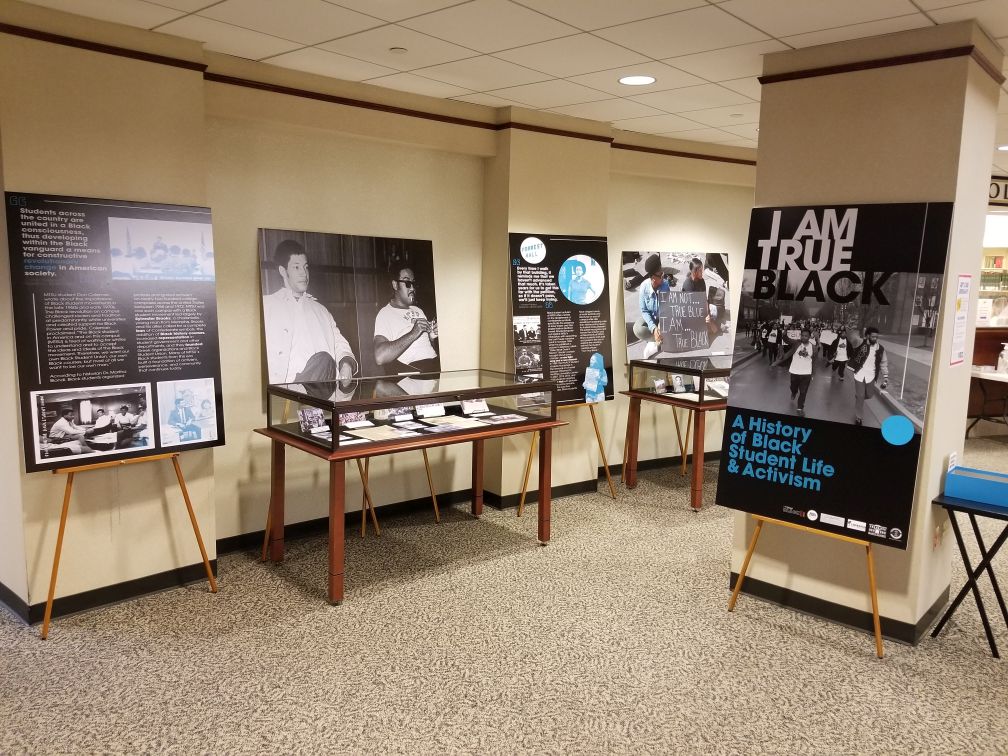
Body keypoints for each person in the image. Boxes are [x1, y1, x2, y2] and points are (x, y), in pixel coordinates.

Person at [262, 239, 358, 385]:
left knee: (324, 360)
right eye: (296, 267)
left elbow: (340, 344)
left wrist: (346, 364)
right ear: (283, 271)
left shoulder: (321, 310)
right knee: (323, 361)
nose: (304, 273)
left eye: (306, 267)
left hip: (323, 389)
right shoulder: (267, 305)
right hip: (285, 391)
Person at [373, 266, 439, 375]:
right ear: (395, 285)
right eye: (407, 283)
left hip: (434, 365)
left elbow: (428, 349)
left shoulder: (418, 310)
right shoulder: (385, 314)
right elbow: (379, 357)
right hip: (416, 372)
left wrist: (432, 336)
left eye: (414, 283)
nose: (412, 288)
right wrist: (413, 333)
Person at [848, 326, 889, 426]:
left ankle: (859, 397)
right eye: (873, 337)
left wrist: (886, 376)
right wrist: (849, 329)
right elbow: (851, 337)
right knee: (861, 396)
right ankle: (859, 418)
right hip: (859, 374)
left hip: (871, 376)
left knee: (870, 395)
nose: (875, 339)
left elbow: (883, 363)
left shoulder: (881, 349)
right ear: (867, 336)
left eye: (876, 337)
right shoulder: (860, 343)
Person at [633, 254, 669, 359]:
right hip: (652, 319)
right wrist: (653, 328)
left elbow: (666, 311)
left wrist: (659, 327)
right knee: (637, 329)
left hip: (662, 320)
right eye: (660, 274)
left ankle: (656, 341)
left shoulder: (665, 285)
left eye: (663, 273)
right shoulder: (644, 286)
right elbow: (644, 310)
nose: (663, 276)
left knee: (667, 328)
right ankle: (658, 340)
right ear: (653, 277)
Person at [774, 327, 815, 416]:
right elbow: (787, 340)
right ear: (801, 336)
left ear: (809, 337)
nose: (804, 337)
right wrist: (784, 334)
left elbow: (814, 361)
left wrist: (812, 374)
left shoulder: (813, 347)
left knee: (803, 392)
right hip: (794, 370)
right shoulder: (796, 343)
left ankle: (800, 408)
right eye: (802, 335)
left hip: (806, 373)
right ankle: (794, 392)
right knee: (793, 386)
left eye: (806, 336)